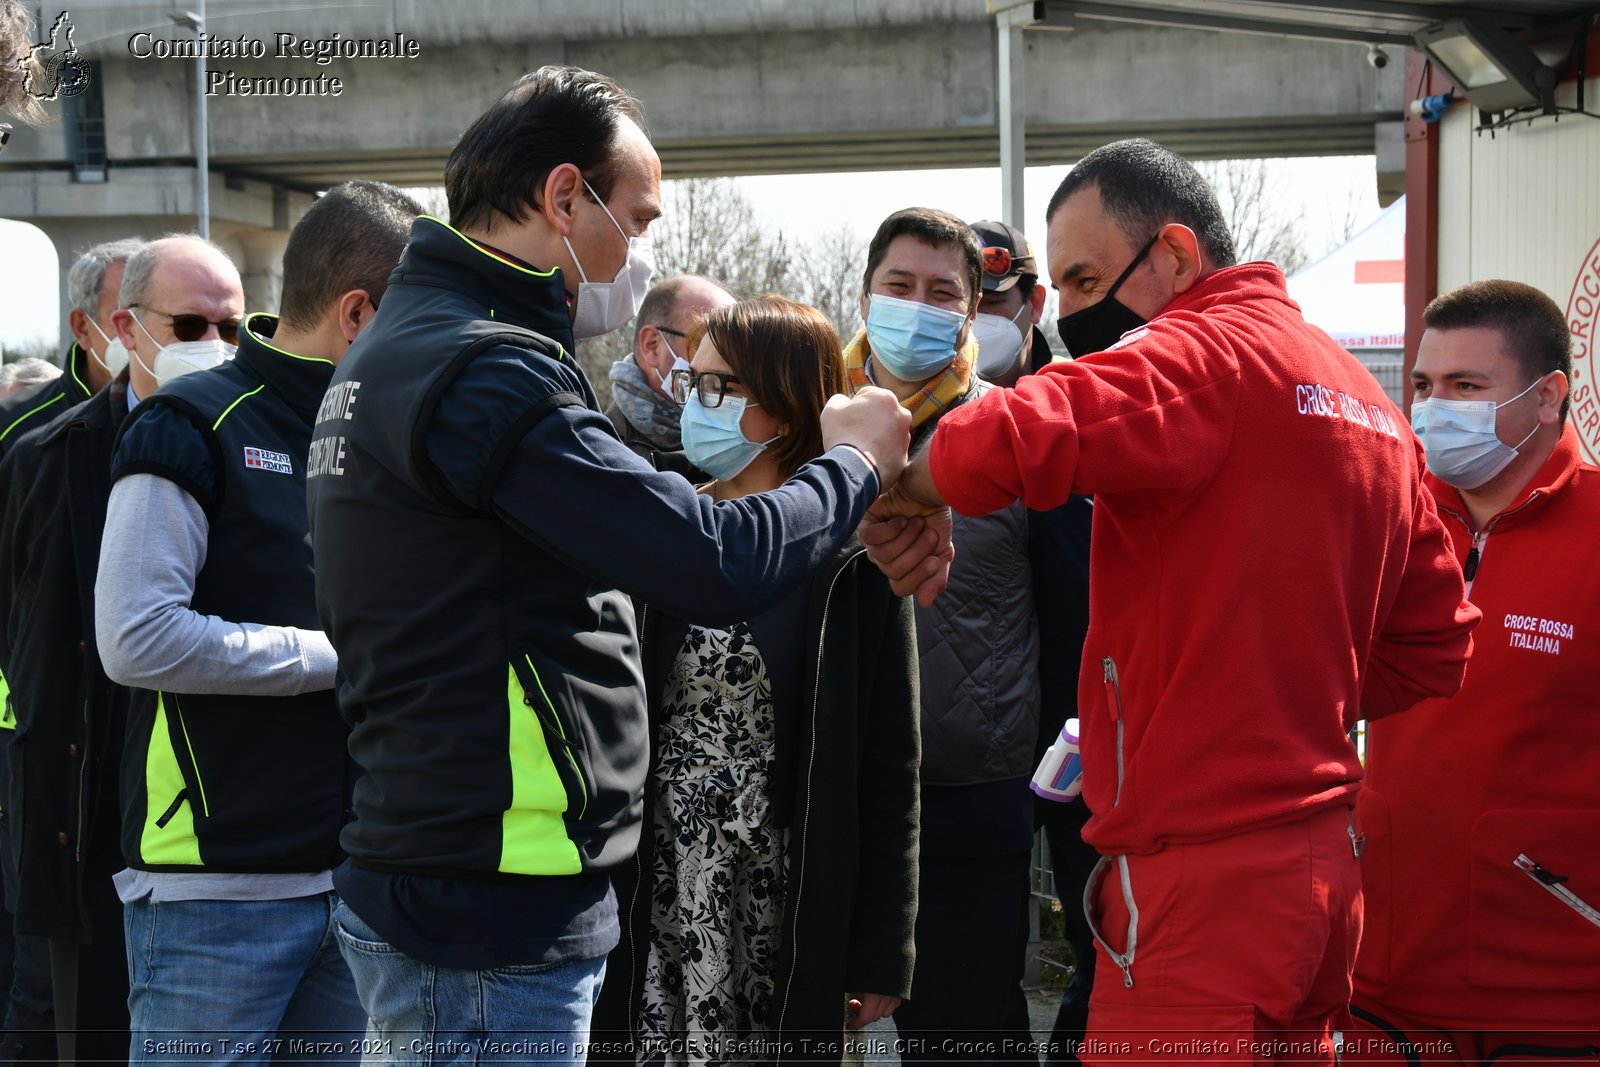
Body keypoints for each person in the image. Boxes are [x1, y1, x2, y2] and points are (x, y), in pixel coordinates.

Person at [306, 66, 923, 1062]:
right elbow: (713, 558)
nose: (639, 252)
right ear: (562, 198)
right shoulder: (486, 371)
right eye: (634, 221)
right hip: (488, 896)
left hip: (445, 863)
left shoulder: (399, 349)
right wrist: (852, 460)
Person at [863, 138, 1479, 1066]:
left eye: (1082, 278)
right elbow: (1436, 645)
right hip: (1316, 868)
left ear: (1179, 258)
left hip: (1202, 878)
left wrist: (902, 486)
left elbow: (1031, 423)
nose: (1066, 313)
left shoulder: (1205, 349)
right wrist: (1272, 688)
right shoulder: (1369, 400)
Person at [95, 185, 418, 1061]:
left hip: (354, 884)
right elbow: (135, 634)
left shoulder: (384, 436)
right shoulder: (189, 421)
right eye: (420, 317)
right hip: (215, 892)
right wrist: (334, 658)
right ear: (358, 314)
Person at [591, 295, 920, 1064]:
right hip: (660, 875)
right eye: (691, 385)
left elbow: (889, 765)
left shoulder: (850, 559)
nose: (693, 407)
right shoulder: (667, 531)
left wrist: (882, 950)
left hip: (786, 887)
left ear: (783, 404)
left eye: (717, 389)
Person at [1345, 280, 1600, 1066]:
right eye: (1424, 384)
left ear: (1548, 396)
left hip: (1554, 991)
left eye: (1466, 386)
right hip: (1382, 979)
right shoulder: (1385, 518)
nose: (1433, 406)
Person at [842, 207, 1040, 1063]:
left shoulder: (1020, 437)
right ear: (864, 294)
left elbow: (1069, 614)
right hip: (833, 797)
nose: (918, 307)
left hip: (972, 802)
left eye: (942, 293)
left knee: (970, 1043)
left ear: (971, 312)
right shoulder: (805, 426)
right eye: (899, 286)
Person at [0, 236, 145, 1063]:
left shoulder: (202, 429)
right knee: (45, 1004)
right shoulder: (32, 442)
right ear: (87, 327)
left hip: (130, 787)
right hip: (43, 767)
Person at [0, 238, 142, 456]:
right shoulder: (12, 427)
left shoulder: (194, 411)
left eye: (159, 316)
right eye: (128, 316)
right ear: (82, 327)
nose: (146, 331)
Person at [605, 274, 735, 472]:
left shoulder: (742, 444)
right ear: (653, 346)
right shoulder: (605, 458)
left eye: (734, 352)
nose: (731, 364)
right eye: (705, 342)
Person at [968, 220, 1052, 386]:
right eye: (968, 306)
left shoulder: (1071, 393)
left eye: (992, 302)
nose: (975, 318)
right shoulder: (929, 401)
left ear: (1035, 304)